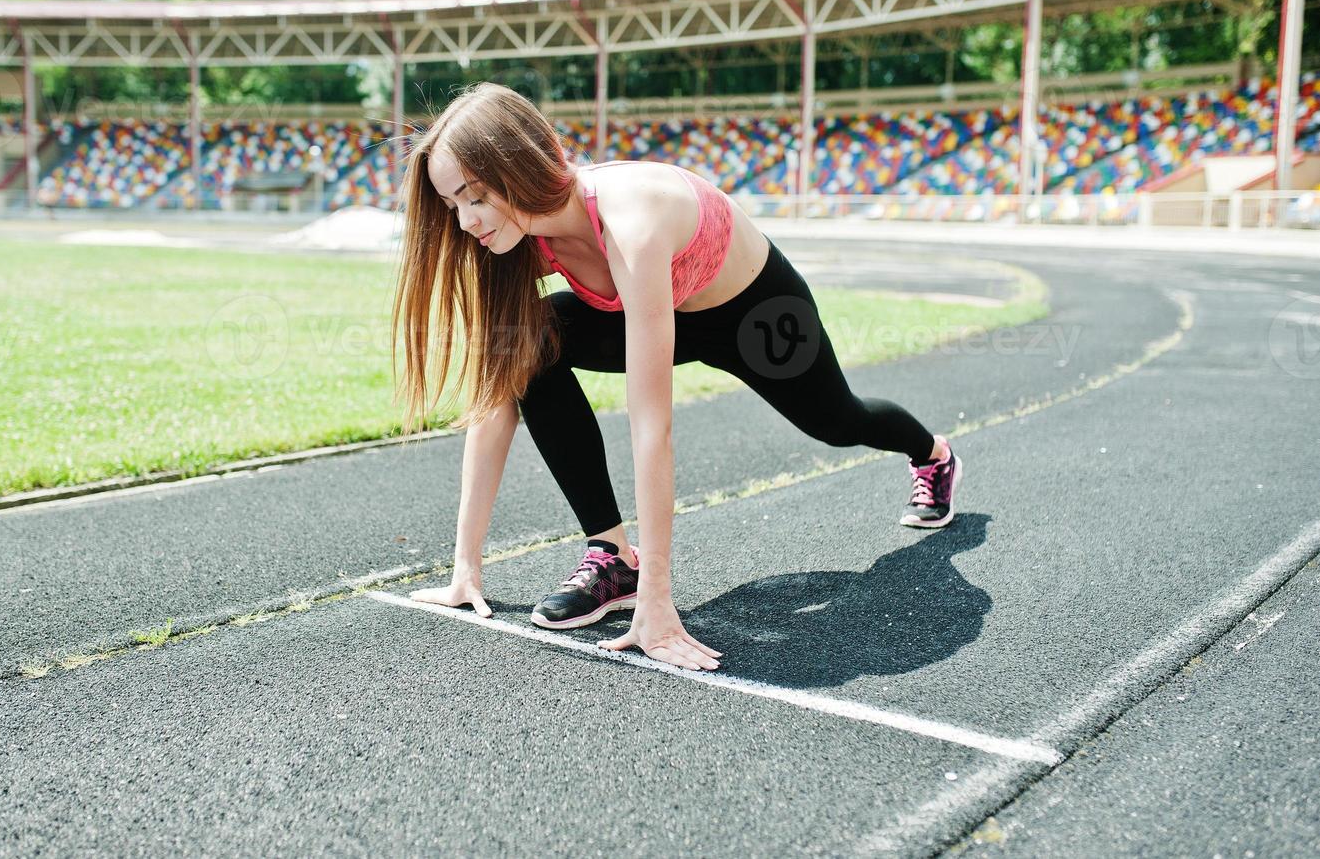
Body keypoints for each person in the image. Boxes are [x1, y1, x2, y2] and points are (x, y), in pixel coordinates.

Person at [390, 82, 961, 672]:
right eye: (452, 205)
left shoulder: (631, 220)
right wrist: (466, 567)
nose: (464, 222)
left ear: (518, 164)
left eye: (474, 197)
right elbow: (496, 395)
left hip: (751, 313)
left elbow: (651, 425)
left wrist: (660, 606)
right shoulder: (513, 240)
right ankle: (612, 556)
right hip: (661, 311)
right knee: (530, 343)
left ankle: (933, 453)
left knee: (839, 420)